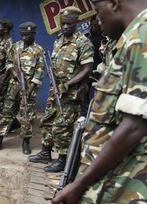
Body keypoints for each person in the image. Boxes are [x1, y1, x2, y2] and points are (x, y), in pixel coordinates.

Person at [39, 0, 147, 204]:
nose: (97, 22)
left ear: (114, 3)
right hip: (111, 184)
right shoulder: (134, 37)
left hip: (108, 186)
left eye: (97, 12)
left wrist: (78, 184)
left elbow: (136, 125)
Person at [29, 7, 93, 173]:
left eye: (69, 24)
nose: (65, 27)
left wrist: (68, 84)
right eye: (63, 24)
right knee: (47, 120)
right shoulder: (58, 40)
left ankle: (63, 159)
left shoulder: (83, 42)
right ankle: (45, 152)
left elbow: (87, 69)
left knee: (62, 126)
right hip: (55, 90)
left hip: (71, 93)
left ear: (77, 23)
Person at [0, 22, 45, 154]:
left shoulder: (38, 50)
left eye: (28, 35)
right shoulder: (16, 46)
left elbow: (39, 72)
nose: (25, 37)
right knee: (6, 113)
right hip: (13, 86)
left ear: (33, 34)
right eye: (23, 35)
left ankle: (25, 143)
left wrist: (30, 88)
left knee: (26, 116)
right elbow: (9, 62)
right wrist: (13, 73)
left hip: (28, 89)